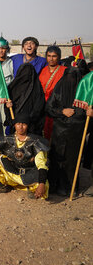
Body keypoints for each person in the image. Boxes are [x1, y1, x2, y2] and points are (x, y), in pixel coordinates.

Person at [0, 113, 49, 199]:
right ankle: (1, 185)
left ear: (27, 125)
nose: (20, 127)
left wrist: (41, 184)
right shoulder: (8, 139)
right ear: (15, 125)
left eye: (23, 124)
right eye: (18, 124)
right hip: (12, 172)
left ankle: (31, 188)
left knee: (43, 186)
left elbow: (42, 164)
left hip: (29, 174)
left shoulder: (35, 142)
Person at [46, 67, 87, 195]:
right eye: (68, 76)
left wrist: (84, 113)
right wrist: (62, 111)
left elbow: (86, 111)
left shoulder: (83, 93)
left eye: (74, 77)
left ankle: (70, 187)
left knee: (72, 160)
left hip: (76, 132)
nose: (71, 80)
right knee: (56, 158)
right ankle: (54, 185)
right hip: (59, 131)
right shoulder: (58, 90)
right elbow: (49, 108)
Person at [5, 63, 45, 136]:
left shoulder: (37, 90)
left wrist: (27, 120)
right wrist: (8, 106)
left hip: (32, 125)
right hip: (16, 124)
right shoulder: (12, 88)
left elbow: (39, 108)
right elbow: (8, 107)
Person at [38, 45, 66, 139]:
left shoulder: (64, 71)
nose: (51, 59)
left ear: (59, 57)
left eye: (54, 56)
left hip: (58, 107)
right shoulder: (43, 70)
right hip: (44, 106)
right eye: (49, 56)